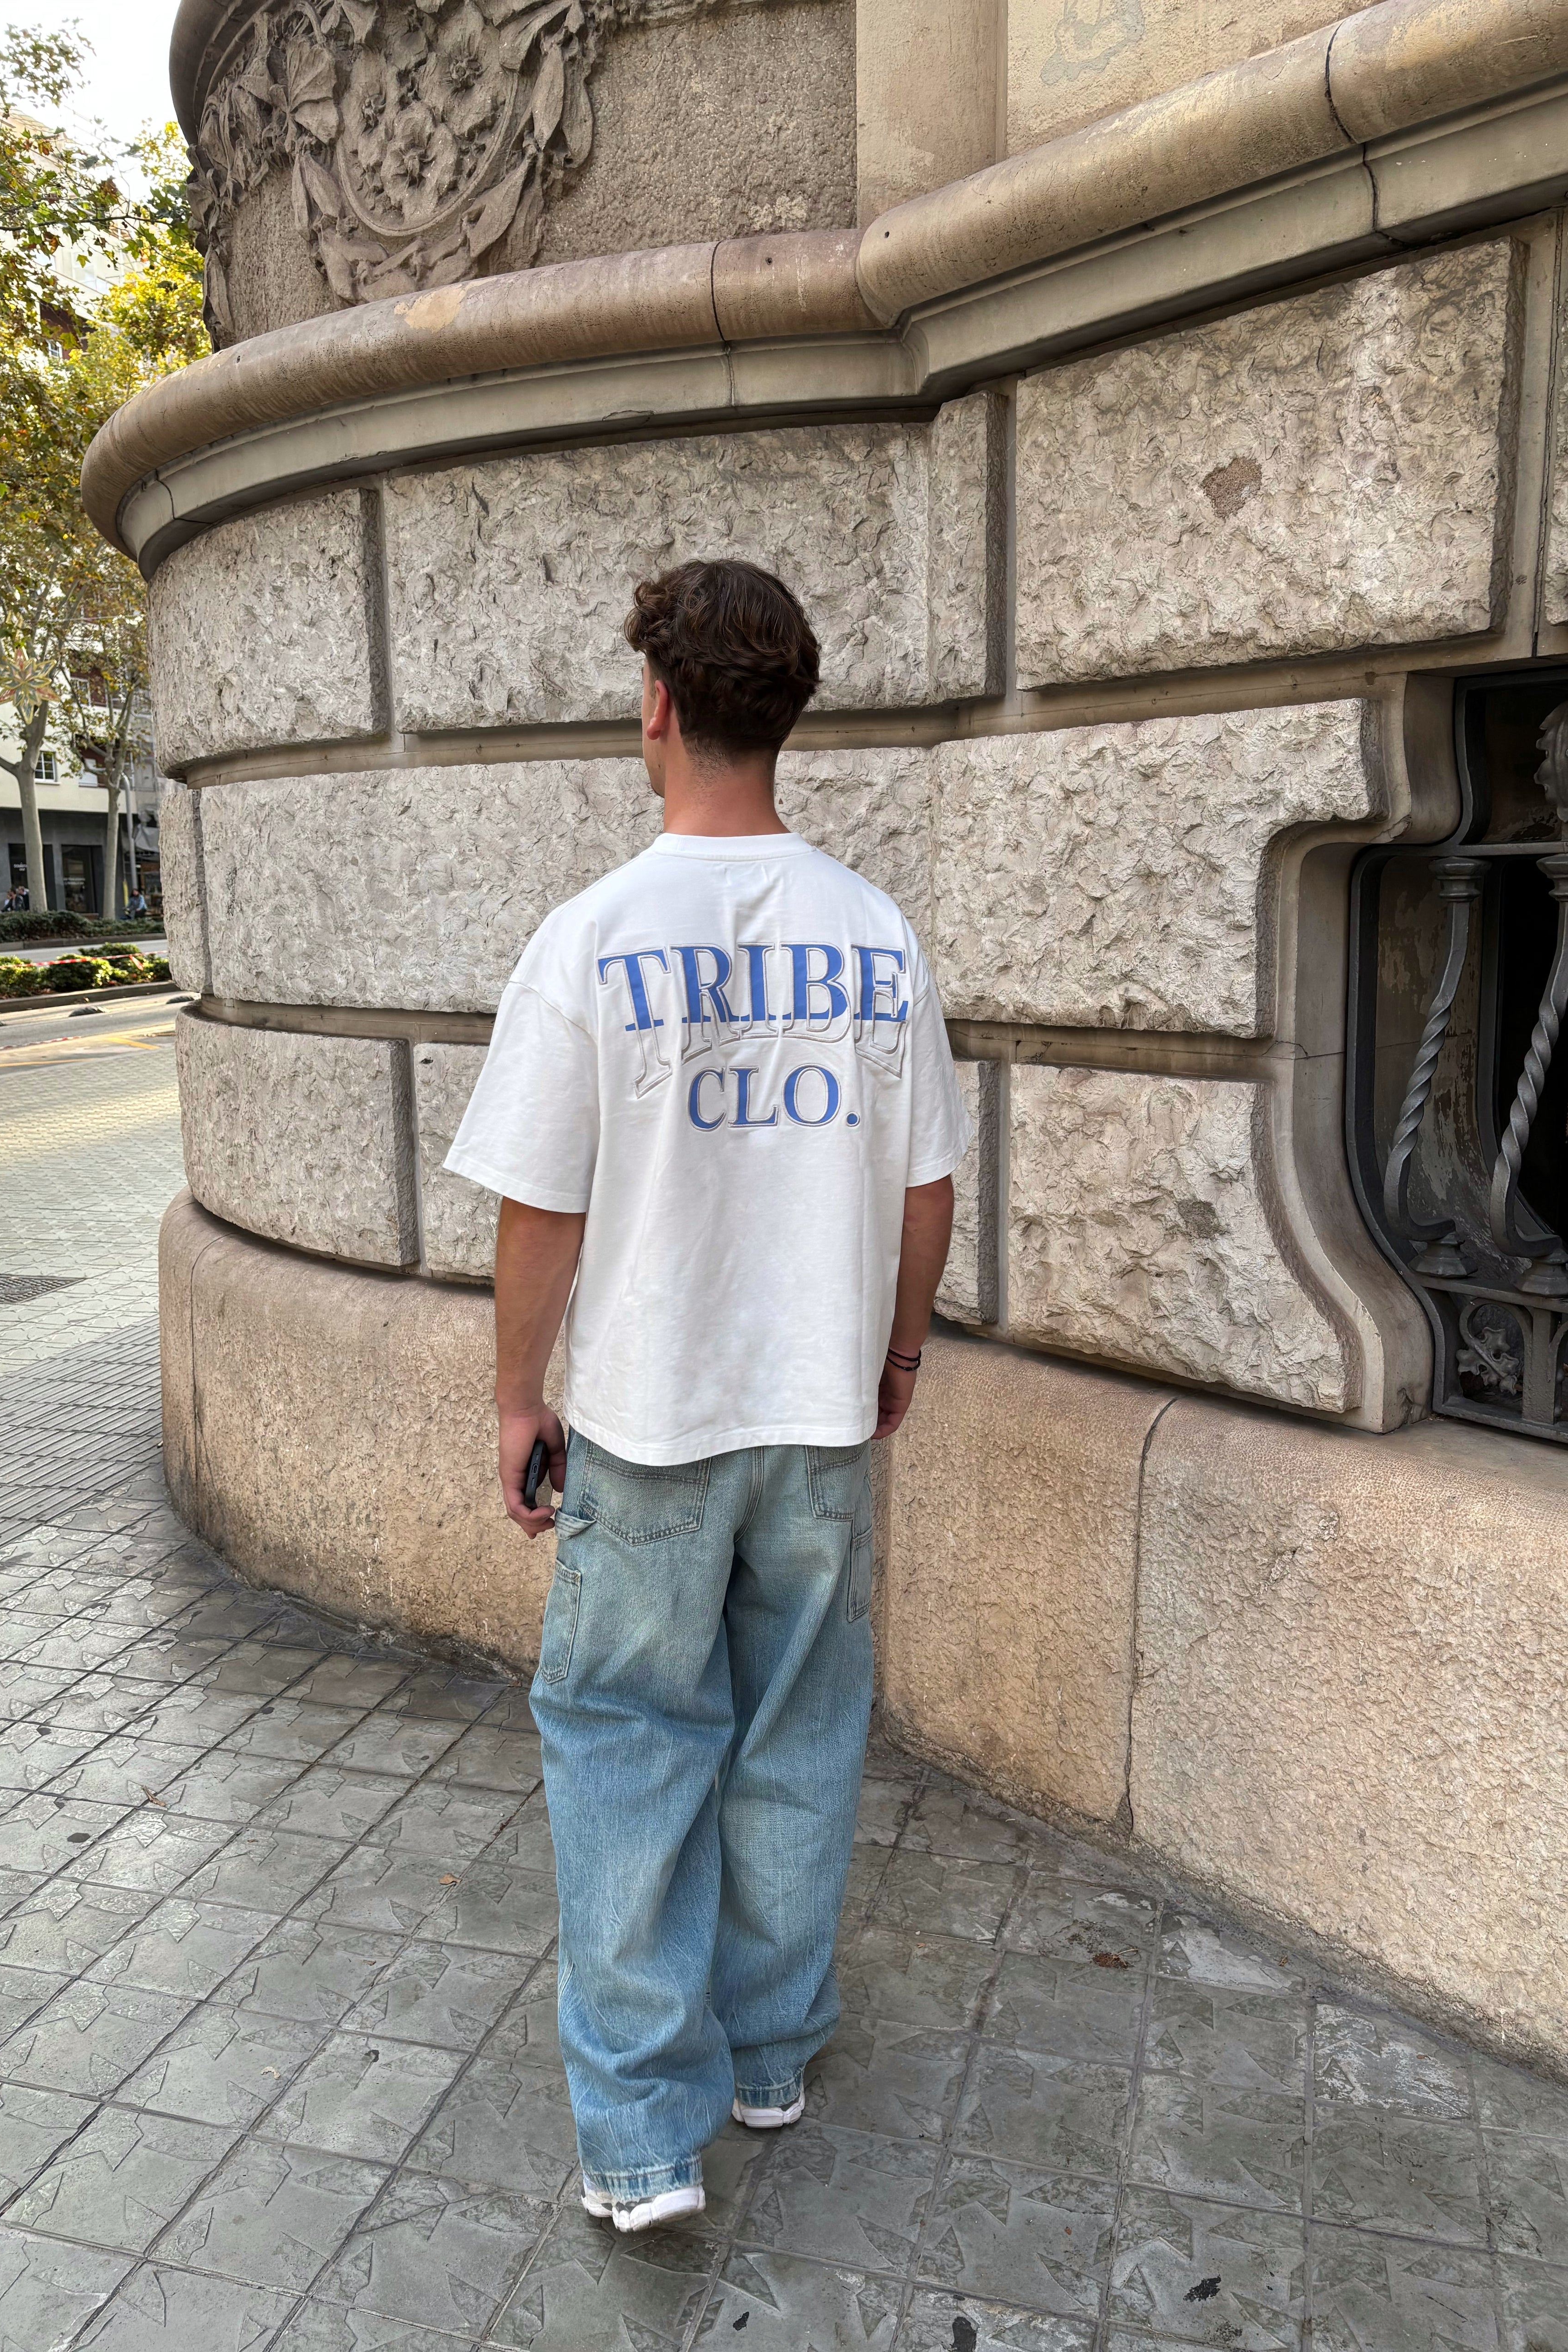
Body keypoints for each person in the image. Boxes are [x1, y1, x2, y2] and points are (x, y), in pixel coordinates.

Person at [446, 559, 968, 2234]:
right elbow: (927, 1187)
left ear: (659, 706)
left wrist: (518, 1397)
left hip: (651, 1420)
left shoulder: (592, 937)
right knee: (798, 1732)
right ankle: (771, 2053)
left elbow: (544, 1208)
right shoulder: (876, 933)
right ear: (785, 714)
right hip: (819, 1412)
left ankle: (642, 2141)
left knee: (624, 1744)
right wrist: (896, 1354)